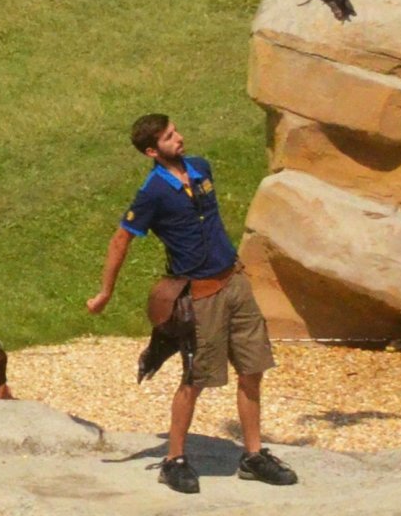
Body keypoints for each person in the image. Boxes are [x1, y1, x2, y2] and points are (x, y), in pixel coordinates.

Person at [85, 112, 297, 495]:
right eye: (169, 136)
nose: (179, 138)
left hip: (235, 283)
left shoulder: (201, 169)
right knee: (195, 379)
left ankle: (253, 455)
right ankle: (174, 459)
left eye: (176, 130)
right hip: (200, 295)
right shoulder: (152, 192)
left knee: (253, 369)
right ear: (152, 150)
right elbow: (121, 239)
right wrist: (105, 292)